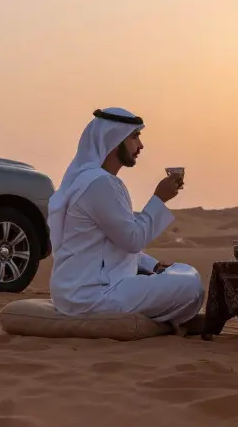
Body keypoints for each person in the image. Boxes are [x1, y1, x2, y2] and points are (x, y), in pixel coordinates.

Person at [47, 107, 205, 333]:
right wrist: (159, 199)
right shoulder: (100, 184)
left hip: (74, 293)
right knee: (190, 283)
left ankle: (169, 317)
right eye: (134, 137)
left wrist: (154, 266)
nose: (140, 146)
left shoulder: (87, 180)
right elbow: (133, 239)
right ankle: (171, 321)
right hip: (93, 296)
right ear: (115, 139)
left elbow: (117, 239)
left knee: (176, 273)